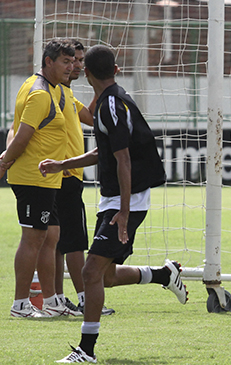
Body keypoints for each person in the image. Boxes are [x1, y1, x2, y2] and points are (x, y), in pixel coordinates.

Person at [39, 45, 188, 363]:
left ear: (87, 74)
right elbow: (103, 152)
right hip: (119, 198)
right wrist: (61, 164)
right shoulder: (112, 100)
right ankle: (164, 274)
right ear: (117, 70)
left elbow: (123, 161)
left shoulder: (110, 106)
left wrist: (122, 211)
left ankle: (86, 351)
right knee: (104, 276)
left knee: (90, 272)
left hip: (127, 200)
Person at [1, 39, 83, 318]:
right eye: (65, 62)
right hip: (32, 178)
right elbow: (20, 136)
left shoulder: (53, 89)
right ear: (48, 61)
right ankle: (21, 304)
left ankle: (51, 301)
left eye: (73, 62)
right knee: (33, 239)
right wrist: (4, 162)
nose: (71, 67)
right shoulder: (39, 93)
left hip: (48, 179)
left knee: (51, 237)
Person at [55, 39, 115, 316]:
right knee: (74, 241)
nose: (77, 65)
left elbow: (89, 116)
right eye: (72, 60)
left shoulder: (66, 92)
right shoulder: (49, 91)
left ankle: (56, 297)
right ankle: (82, 298)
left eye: (80, 60)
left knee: (57, 240)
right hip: (64, 174)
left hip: (67, 174)